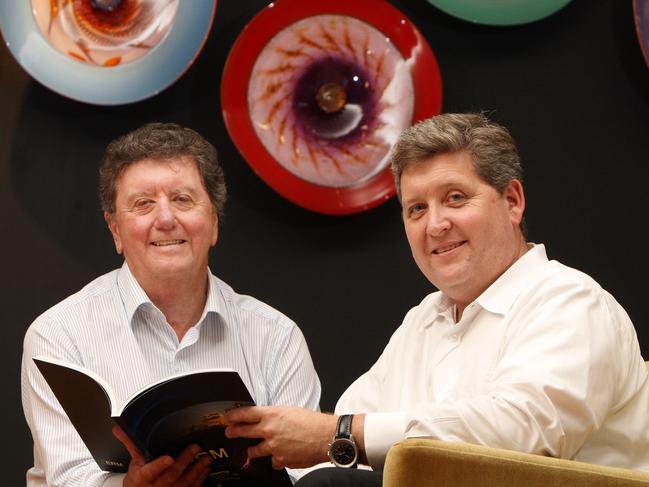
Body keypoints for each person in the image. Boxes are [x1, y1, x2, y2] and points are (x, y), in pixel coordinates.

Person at [224, 112, 649, 486]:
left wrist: (338, 435)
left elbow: (522, 436)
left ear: (512, 201)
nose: (436, 225)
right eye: (416, 209)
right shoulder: (424, 320)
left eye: (455, 198)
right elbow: (347, 429)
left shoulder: (570, 302)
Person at [21, 123, 321, 487]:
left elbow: (309, 474)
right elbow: (66, 479)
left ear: (213, 223)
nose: (165, 219)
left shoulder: (277, 337)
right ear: (115, 230)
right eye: (143, 204)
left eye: (183, 199)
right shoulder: (59, 334)